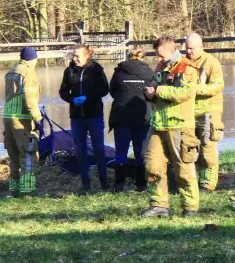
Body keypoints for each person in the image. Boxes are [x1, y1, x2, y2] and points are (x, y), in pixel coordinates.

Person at [139, 36, 201, 217]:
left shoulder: (187, 68)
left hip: (180, 126)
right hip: (158, 124)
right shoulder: (160, 68)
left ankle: (190, 207)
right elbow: (153, 86)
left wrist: (158, 91)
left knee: (183, 167)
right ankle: (159, 204)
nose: (158, 60)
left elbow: (186, 92)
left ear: (172, 50)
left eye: (161, 55)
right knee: (153, 165)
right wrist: (149, 93)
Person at [59, 45, 110, 193]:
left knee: (99, 148)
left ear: (86, 55)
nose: (74, 59)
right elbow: (63, 91)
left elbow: (104, 89)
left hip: (94, 115)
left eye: (77, 56)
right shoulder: (69, 71)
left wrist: (87, 98)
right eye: (73, 56)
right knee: (80, 150)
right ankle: (85, 183)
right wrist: (72, 99)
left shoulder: (96, 69)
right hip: (76, 117)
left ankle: (103, 182)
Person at [109, 48, 155, 193]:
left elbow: (113, 91)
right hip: (142, 117)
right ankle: (141, 185)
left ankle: (119, 185)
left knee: (121, 152)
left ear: (128, 57)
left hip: (121, 116)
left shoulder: (119, 71)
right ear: (142, 58)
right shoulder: (148, 72)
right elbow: (153, 93)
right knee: (140, 153)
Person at [185, 33, 225, 192]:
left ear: (201, 47)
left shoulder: (211, 63)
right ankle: (193, 179)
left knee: (208, 148)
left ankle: (208, 184)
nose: (189, 51)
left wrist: (194, 90)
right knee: (190, 148)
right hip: (189, 113)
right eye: (187, 48)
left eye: (192, 48)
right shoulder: (183, 63)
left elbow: (217, 86)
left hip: (209, 111)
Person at [3, 47, 41, 197]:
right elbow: (29, 97)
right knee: (27, 153)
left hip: (8, 116)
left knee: (13, 156)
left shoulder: (11, 71)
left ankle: (13, 189)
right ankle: (27, 190)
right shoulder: (28, 72)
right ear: (33, 59)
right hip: (22, 118)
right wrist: (37, 117)